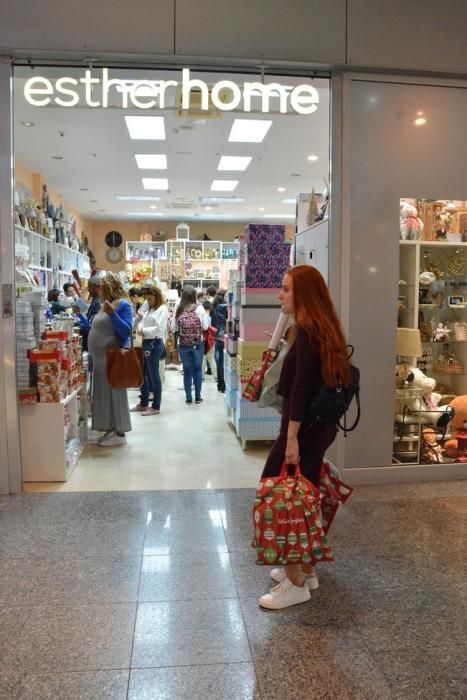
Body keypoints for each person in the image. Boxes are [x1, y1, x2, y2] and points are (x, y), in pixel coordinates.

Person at [257, 265, 351, 610]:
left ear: (304, 295)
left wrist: (291, 437)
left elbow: (299, 388)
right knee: (304, 494)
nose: (279, 295)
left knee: (281, 493)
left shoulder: (308, 333)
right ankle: (305, 568)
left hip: (302, 429)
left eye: (285, 289)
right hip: (317, 428)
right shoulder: (323, 329)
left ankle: (296, 583)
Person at [81, 272, 133, 447]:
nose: (98, 291)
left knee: (116, 394)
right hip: (100, 358)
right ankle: (111, 427)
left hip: (111, 357)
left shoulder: (123, 305)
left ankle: (120, 432)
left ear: (108, 288)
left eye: (101, 288)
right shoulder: (104, 305)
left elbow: (126, 331)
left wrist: (113, 314)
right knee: (104, 394)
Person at [131, 285, 168, 416]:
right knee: (143, 375)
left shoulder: (162, 309)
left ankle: (155, 406)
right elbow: (141, 320)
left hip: (154, 343)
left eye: (150, 298)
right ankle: (144, 403)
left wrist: (142, 330)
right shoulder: (148, 306)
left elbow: (159, 329)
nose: (148, 300)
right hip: (145, 343)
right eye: (147, 298)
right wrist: (139, 321)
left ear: (156, 297)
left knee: (153, 376)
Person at [171, 285, 208, 404]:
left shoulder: (178, 307)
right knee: (197, 369)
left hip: (182, 344)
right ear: (194, 296)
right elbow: (205, 327)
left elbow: (173, 328)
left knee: (187, 370)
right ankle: (198, 397)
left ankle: (188, 397)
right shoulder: (200, 308)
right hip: (198, 343)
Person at [73, 275, 101, 351]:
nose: (88, 290)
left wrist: (79, 314)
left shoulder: (99, 303)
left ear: (96, 287)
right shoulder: (95, 300)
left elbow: (91, 326)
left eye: (90, 287)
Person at [211, 290, 228, 392]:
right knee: (225, 363)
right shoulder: (226, 307)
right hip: (225, 336)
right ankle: (224, 385)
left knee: (219, 362)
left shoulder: (214, 307)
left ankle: (220, 384)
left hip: (216, 336)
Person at [202, 299, 216, 380]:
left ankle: (202, 377)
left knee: (203, 358)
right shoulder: (211, 317)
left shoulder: (204, 316)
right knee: (211, 358)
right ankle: (216, 376)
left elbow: (204, 327)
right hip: (211, 339)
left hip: (204, 339)